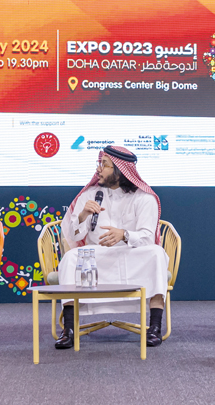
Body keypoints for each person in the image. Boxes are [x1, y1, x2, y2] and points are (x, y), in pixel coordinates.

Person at [56, 146, 169, 348]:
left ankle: (155, 327)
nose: (98, 169)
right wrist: (82, 215)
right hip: (96, 255)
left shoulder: (144, 198)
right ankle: (69, 329)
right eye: (99, 163)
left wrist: (124, 235)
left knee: (157, 254)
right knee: (71, 258)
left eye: (104, 164)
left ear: (120, 170)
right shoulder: (89, 195)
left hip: (131, 254)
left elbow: (147, 237)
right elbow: (73, 235)